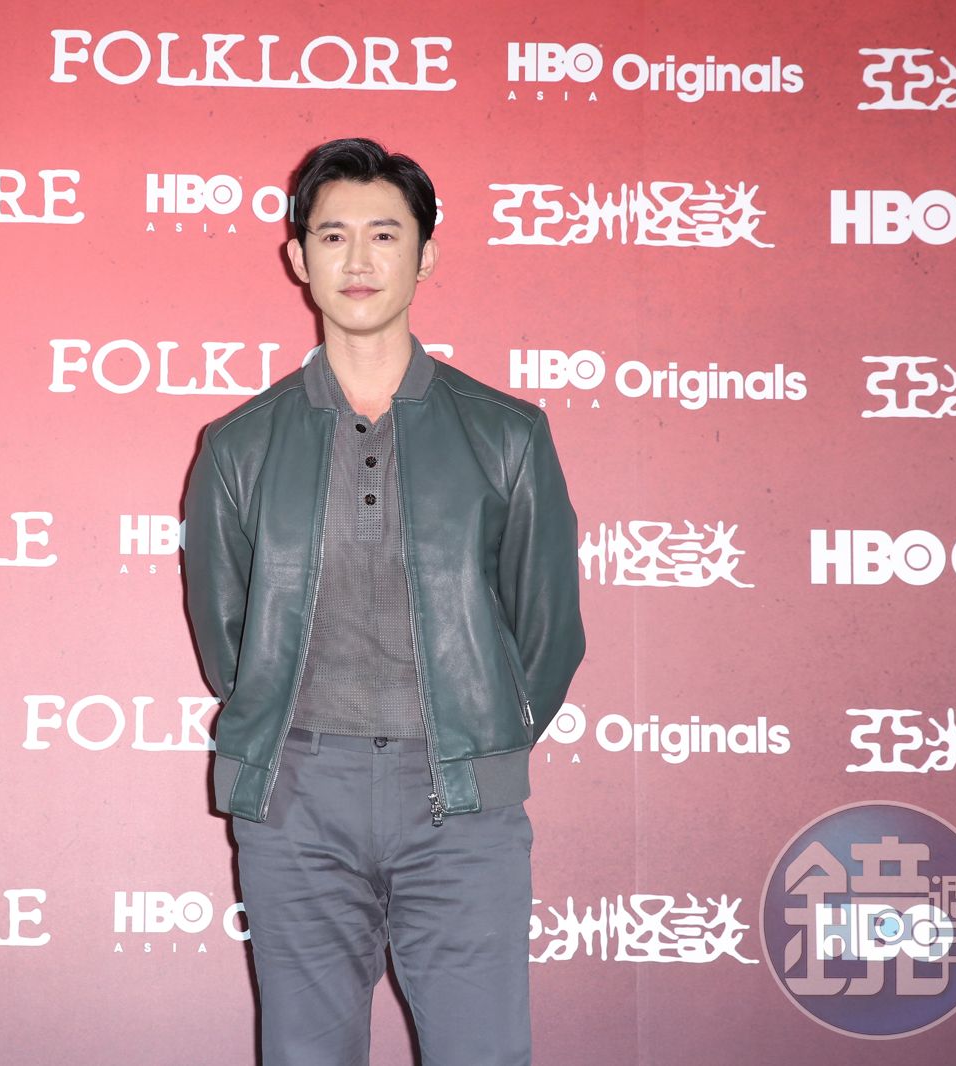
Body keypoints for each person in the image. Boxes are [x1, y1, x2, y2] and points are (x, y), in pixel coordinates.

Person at [183, 137, 584, 1066]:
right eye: (332, 236)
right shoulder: (237, 447)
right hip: (296, 800)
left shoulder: (508, 435)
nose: (358, 260)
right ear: (298, 258)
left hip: (459, 805)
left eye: (385, 234)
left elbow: (549, 634)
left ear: (426, 255)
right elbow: (225, 640)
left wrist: (480, 745)